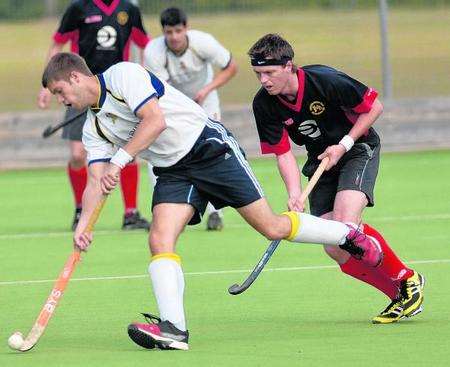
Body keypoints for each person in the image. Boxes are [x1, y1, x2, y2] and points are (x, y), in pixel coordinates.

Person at [42, 52, 384, 350]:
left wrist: (121, 159)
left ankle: (346, 235)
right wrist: (84, 225)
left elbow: (155, 121)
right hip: (172, 170)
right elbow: (95, 180)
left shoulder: (122, 75)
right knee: (159, 238)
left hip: (208, 148)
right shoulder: (94, 127)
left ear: (75, 77)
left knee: (272, 226)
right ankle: (173, 329)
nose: (62, 100)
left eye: (60, 91)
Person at [248, 33, 425, 324]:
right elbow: (283, 153)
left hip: (357, 148)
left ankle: (407, 279)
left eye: (269, 72)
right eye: (258, 74)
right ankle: (399, 295)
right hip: (321, 160)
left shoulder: (325, 80)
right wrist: (294, 192)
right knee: (333, 244)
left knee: (345, 223)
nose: (264, 81)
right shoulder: (264, 104)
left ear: (289, 66)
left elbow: (374, 107)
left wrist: (343, 144)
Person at [37, 0, 151, 230]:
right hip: (77, 90)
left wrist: (145, 75)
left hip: (118, 93)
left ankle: (131, 213)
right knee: (78, 155)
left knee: (129, 149)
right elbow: (57, 44)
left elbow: (146, 46)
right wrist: (46, 87)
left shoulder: (129, 9)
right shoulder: (78, 8)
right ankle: (81, 209)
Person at [144, 7, 238, 231]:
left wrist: (207, 89)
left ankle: (216, 212)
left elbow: (231, 67)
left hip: (205, 102)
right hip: (172, 106)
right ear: (163, 32)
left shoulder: (203, 42)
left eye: (178, 31)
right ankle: (165, 212)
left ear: (186, 28)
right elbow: (160, 90)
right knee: (156, 154)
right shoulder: (153, 52)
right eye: (169, 32)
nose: (174, 37)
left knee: (213, 152)